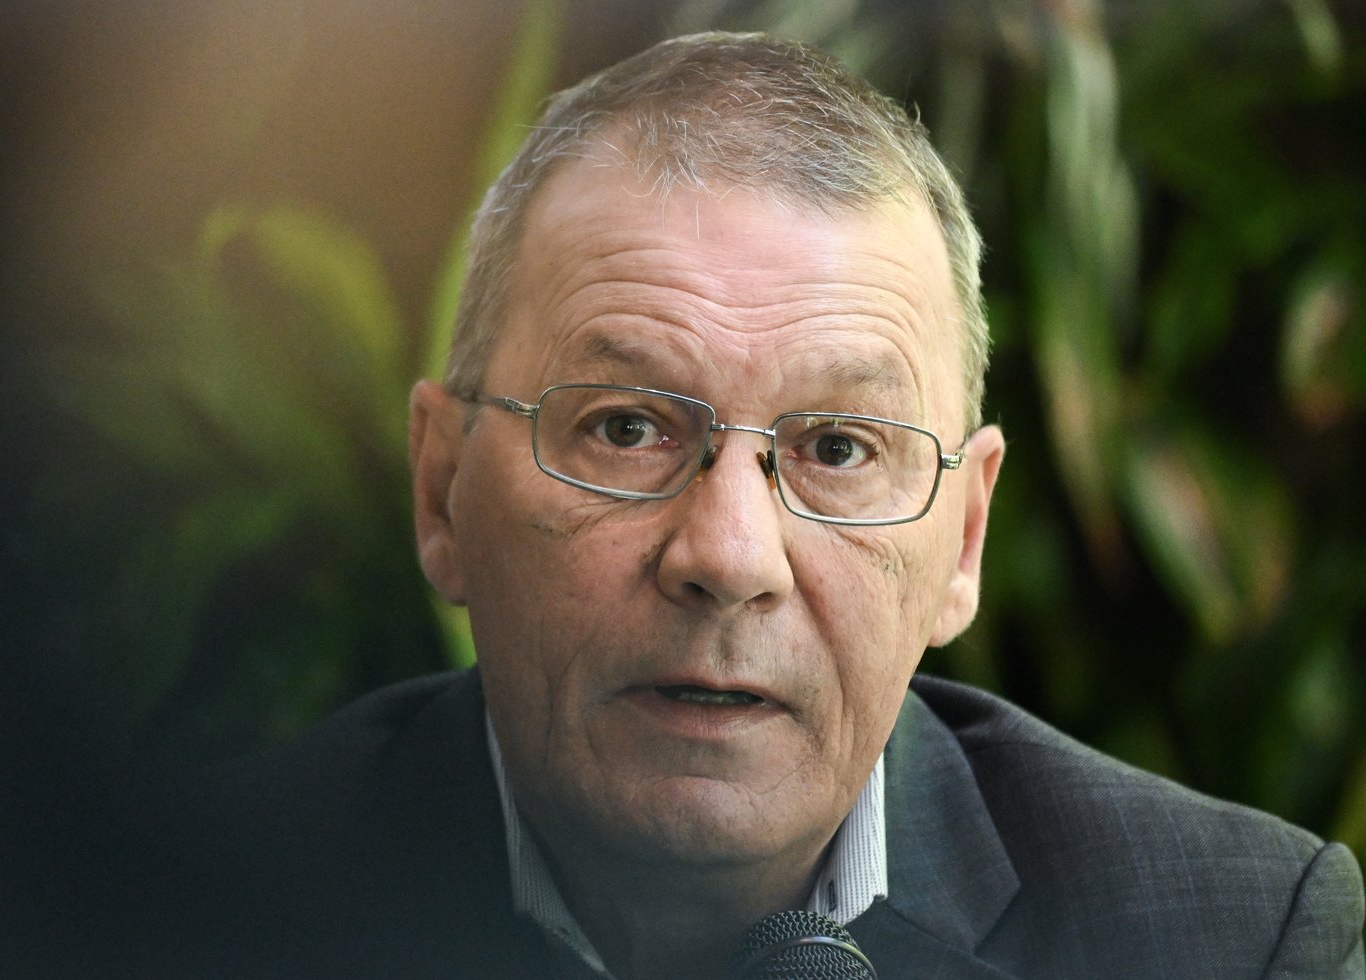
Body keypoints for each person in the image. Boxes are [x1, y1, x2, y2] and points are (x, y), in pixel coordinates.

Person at [140, 32, 1362, 979]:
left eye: (837, 447)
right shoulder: (169, 917)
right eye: (625, 428)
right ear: (442, 491)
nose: (727, 555)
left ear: (963, 538)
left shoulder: (1227, 938)